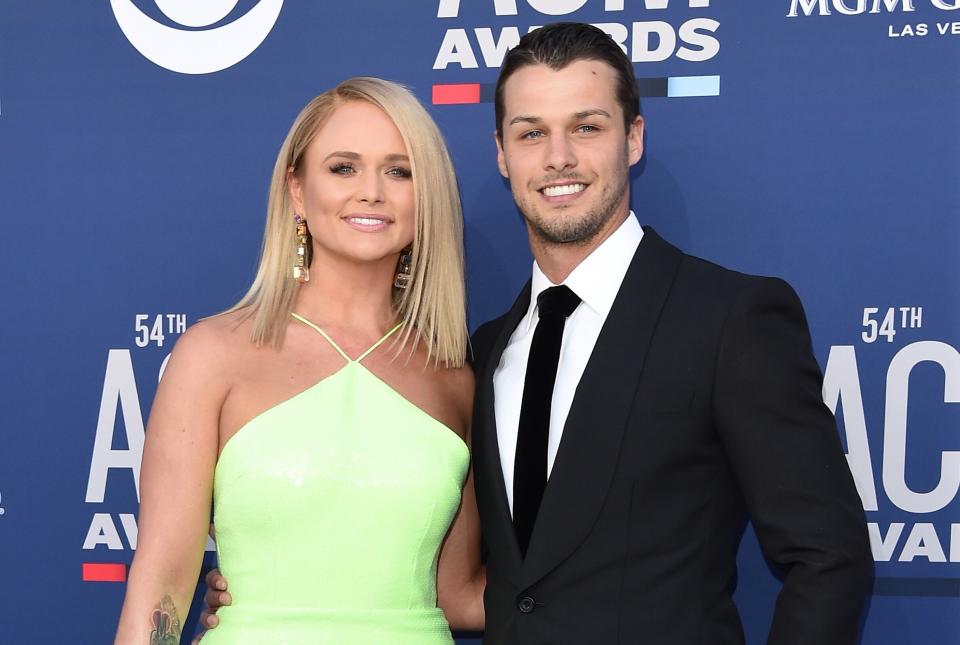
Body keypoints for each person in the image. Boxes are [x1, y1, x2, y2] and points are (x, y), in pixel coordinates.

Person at [202, 23, 873, 644]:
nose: (558, 158)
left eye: (586, 127)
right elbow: (470, 578)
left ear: (633, 138)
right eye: (530, 133)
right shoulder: (482, 353)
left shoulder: (730, 318)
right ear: (501, 154)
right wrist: (277, 589)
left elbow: (828, 557)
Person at [114, 77, 484, 645]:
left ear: (426, 194)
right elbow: (162, 582)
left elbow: (458, 594)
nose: (371, 192)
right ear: (296, 190)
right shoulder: (213, 355)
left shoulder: (455, 379)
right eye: (343, 168)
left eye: (399, 170)